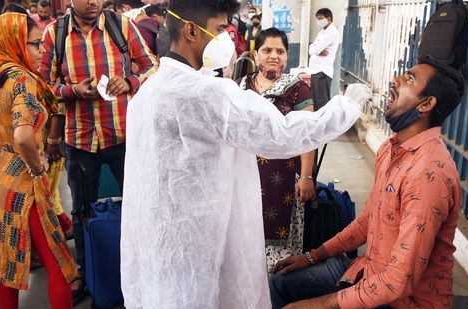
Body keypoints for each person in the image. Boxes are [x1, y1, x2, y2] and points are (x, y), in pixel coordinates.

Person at [120, 0, 371, 308]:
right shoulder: (209, 93)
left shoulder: (147, 91)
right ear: (190, 30)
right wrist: (347, 107)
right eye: (219, 30)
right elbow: (283, 133)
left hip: (157, 242)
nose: (227, 40)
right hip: (198, 240)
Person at [269, 54, 466, 309]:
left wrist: (322, 304)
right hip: (369, 272)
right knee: (280, 281)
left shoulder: (428, 175)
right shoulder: (390, 148)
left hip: (402, 301)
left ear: (426, 104)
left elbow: (398, 281)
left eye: (409, 79)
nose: (395, 80)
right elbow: (368, 220)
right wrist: (312, 256)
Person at [39, 0, 158, 305]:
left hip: (122, 136)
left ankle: (142, 272)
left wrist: (129, 81)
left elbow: (151, 65)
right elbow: (42, 84)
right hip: (79, 140)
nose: (94, 1)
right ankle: (85, 274)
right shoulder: (56, 33)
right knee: (81, 212)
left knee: (138, 205)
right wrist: (71, 91)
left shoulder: (122, 27)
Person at [0, 13, 77, 308]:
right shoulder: (21, 79)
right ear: (14, 43)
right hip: (24, 184)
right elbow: (23, 136)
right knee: (60, 268)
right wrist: (37, 166)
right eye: (34, 43)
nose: (42, 49)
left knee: (7, 267)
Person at [237, 27, 315, 270]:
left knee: (280, 241)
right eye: (267, 50)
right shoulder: (240, 86)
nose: (273, 55)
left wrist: (306, 176)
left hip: (284, 176)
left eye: (279, 51)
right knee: (245, 233)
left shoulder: (297, 88)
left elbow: (307, 135)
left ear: (286, 55)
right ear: (256, 53)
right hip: (246, 174)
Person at [308, 8, 340, 110]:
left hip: (322, 72)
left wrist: (316, 49)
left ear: (329, 19)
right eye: (317, 19)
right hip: (315, 70)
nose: (318, 21)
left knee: (322, 103)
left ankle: (325, 125)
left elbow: (316, 48)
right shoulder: (322, 32)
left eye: (320, 19)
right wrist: (317, 50)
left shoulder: (332, 33)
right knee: (315, 101)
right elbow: (311, 49)